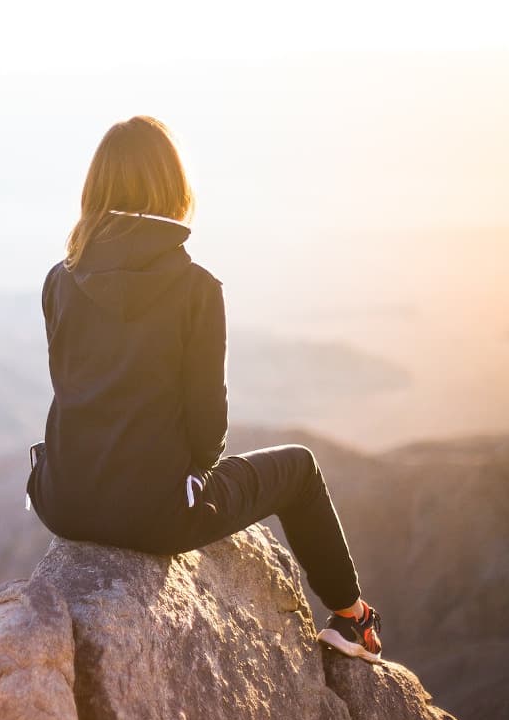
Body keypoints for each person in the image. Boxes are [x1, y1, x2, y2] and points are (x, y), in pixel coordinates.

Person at [25, 115, 383, 663]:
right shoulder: (196, 289)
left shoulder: (59, 277)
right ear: (173, 188)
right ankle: (351, 618)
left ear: (94, 189)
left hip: (62, 501)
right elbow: (208, 429)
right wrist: (188, 481)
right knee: (302, 469)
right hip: (156, 516)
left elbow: (70, 387)